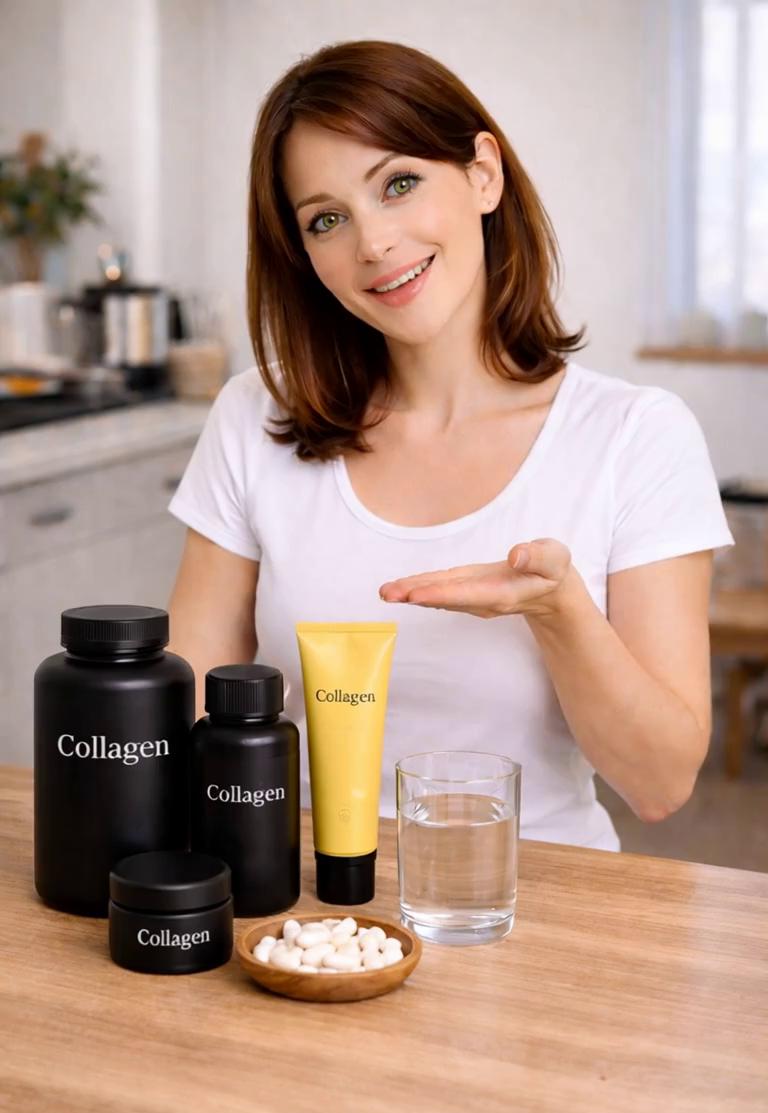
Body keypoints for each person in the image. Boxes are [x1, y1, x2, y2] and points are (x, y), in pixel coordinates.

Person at [167, 40, 734, 851]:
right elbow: (188, 714)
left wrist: (560, 612)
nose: (372, 244)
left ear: (483, 175)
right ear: (303, 255)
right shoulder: (256, 415)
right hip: (305, 911)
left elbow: (659, 783)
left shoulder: (637, 436)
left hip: (537, 906)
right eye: (327, 219)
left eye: (399, 184)